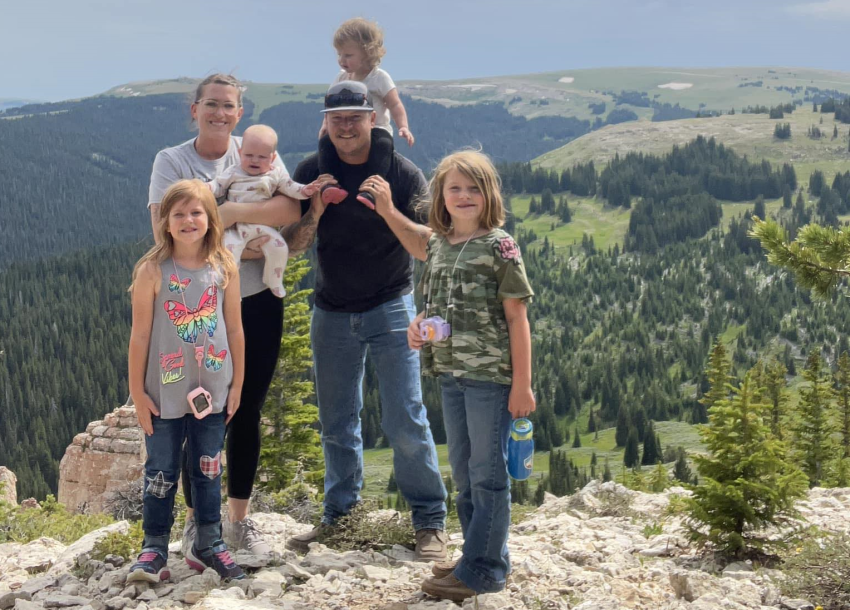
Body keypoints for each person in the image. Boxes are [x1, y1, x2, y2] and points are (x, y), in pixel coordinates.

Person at [281, 80, 447, 560]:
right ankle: (340, 517)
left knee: (404, 417)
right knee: (336, 421)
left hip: (391, 306)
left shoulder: (402, 171)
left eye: (356, 117)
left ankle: (430, 521)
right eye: (337, 119)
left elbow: (427, 247)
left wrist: (389, 208)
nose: (347, 127)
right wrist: (314, 208)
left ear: (373, 118)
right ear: (325, 122)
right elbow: (292, 244)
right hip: (330, 311)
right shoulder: (312, 169)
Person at [148, 74, 303, 557]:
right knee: (204, 411)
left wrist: (227, 214)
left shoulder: (256, 148)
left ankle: (238, 520)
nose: (219, 112)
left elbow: (290, 210)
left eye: (228, 106)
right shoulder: (172, 161)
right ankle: (198, 522)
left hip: (257, 300)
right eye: (210, 104)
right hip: (200, 309)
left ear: (240, 112)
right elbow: (166, 229)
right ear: (193, 109)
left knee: (247, 408)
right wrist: (240, 238)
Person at [406, 151, 535, 602]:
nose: (463, 196)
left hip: (489, 377)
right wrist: (417, 326)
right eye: (454, 188)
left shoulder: (499, 246)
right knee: (463, 472)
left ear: (488, 195)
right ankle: (473, 557)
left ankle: (484, 569)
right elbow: (431, 303)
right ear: (440, 194)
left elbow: (517, 318)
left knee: (487, 475)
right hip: (450, 373)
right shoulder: (439, 244)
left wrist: (522, 385)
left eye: (473, 188)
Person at [127, 179, 245, 583]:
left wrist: (238, 384)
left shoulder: (223, 266)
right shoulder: (152, 270)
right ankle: (153, 548)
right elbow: (140, 335)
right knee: (160, 470)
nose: (188, 220)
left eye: (196, 212)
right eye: (178, 214)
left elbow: (235, 329)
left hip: (214, 392)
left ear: (211, 219)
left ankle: (209, 543)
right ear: (165, 222)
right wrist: (137, 394)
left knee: (208, 468)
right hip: (163, 393)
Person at [208, 124, 320, 298]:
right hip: (235, 228)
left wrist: (305, 190)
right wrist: (206, 187)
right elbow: (218, 185)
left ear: (272, 157)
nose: (254, 161)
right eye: (249, 155)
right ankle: (229, 287)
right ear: (239, 154)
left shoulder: (275, 174)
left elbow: (291, 187)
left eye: (262, 157)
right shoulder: (233, 171)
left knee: (280, 247)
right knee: (230, 252)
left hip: (262, 228)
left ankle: (273, 280)